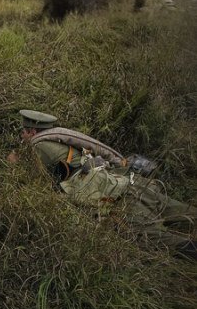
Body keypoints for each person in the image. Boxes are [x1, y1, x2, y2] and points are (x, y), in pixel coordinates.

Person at [14, 110, 197, 260]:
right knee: (181, 211)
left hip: (120, 196)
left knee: (148, 237)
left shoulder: (38, 147)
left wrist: (15, 160)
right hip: (132, 181)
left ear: (32, 132)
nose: (21, 136)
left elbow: (24, 179)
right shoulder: (61, 138)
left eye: (23, 132)